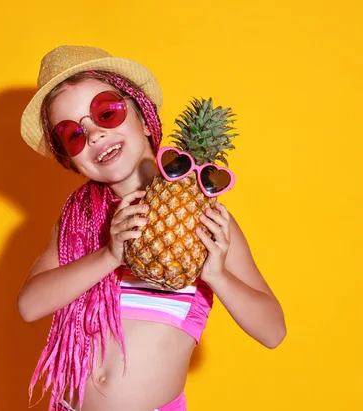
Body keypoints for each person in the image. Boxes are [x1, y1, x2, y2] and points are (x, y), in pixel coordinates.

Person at [17, 45, 286, 411]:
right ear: (70, 160)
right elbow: (30, 305)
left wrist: (218, 275)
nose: (94, 134)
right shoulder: (77, 221)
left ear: (144, 118)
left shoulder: (202, 216)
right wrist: (110, 255)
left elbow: (273, 331)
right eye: (73, 134)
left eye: (106, 112)